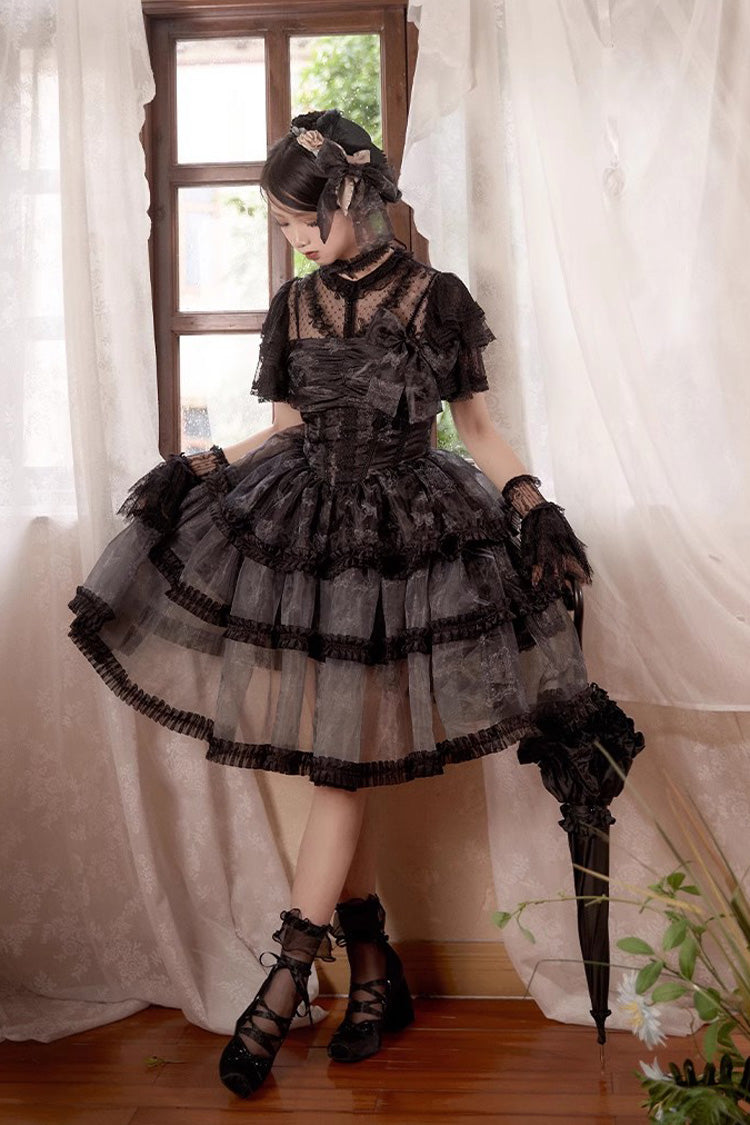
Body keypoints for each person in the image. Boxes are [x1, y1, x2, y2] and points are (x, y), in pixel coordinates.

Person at [67, 107, 642, 1100]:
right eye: (281, 225)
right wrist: (201, 463)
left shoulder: (434, 297)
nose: (293, 239)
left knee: (338, 766)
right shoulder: (293, 306)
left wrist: (531, 506)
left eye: (303, 220)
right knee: (338, 757)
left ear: (352, 198)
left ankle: (289, 974)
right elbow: (290, 428)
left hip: (409, 544)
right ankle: (373, 969)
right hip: (312, 539)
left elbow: (477, 430)